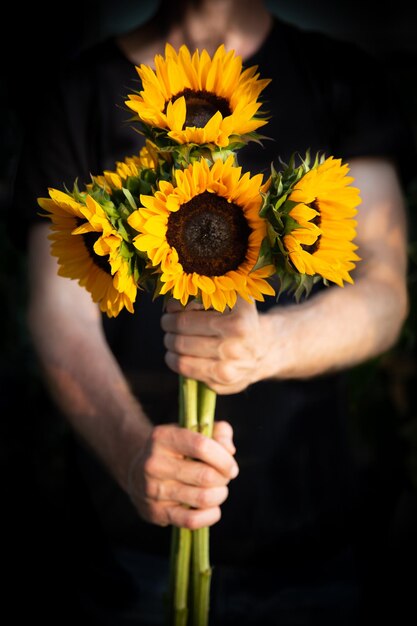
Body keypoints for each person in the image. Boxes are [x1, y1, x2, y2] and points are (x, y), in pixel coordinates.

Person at [10, 0, 416, 624]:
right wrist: (128, 450)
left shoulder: (338, 76)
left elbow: (384, 292)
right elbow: (57, 306)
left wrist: (267, 347)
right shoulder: (77, 90)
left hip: (310, 544)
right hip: (120, 553)